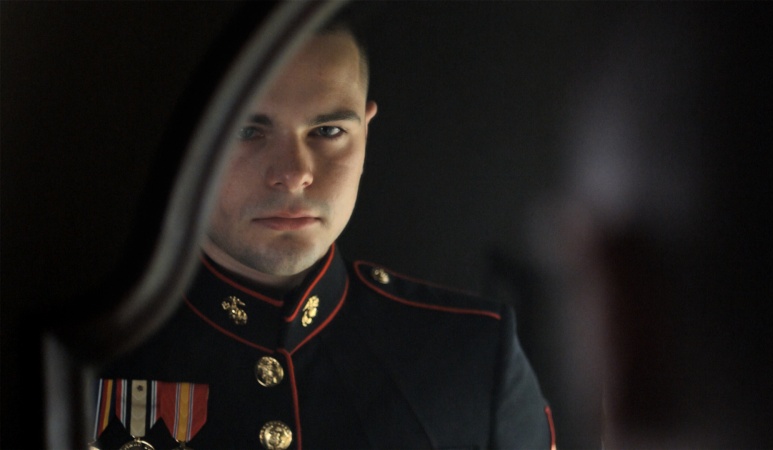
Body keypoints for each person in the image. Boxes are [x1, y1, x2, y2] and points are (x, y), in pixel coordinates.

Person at [91, 19, 555, 450]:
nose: (294, 174)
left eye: (328, 130)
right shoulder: (92, 346)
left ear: (365, 131)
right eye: (247, 131)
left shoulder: (472, 354)